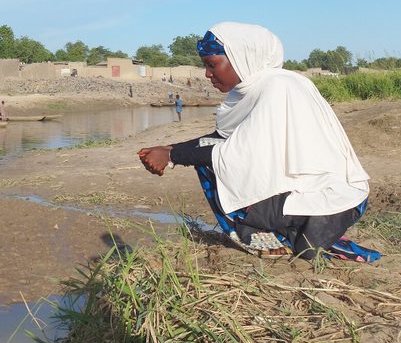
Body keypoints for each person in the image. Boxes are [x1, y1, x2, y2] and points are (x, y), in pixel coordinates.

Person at [138, 23, 379, 262]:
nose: (207, 74)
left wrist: (172, 157)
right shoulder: (250, 90)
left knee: (307, 251)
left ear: (242, 58)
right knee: (208, 152)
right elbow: (220, 138)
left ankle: (283, 233)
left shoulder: (278, 86)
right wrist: (170, 151)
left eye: (212, 65)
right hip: (298, 189)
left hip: (332, 196)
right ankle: (286, 234)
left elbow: (239, 151)